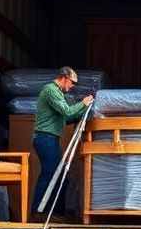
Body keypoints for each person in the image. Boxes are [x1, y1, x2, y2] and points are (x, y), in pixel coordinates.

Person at [31, 67, 94, 220]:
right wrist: (83, 103)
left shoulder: (58, 93)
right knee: (50, 174)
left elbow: (65, 118)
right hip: (45, 138)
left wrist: (83, 112)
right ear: (64, 78)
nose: (72, 86)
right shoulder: (51, 90)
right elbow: (67, 112)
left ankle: (53, 213)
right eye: (72, 83)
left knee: (59, 175)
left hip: (50, 139)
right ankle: (38, 212)